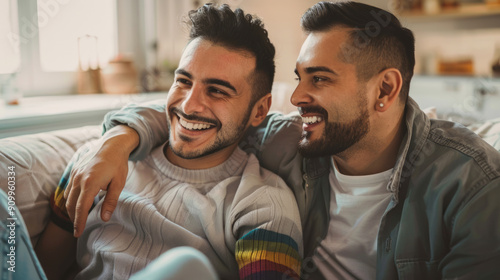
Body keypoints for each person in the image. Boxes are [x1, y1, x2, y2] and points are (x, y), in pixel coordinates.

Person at [62, 1, 500, 279]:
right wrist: (116, 141)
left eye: (320, 79)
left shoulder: (472, 185)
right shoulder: (289, 139)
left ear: (385, 90)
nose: (297, 97)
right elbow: (190, 118)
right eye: (300, 77)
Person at [34, 4, 303, 280]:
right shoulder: (98, 160)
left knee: (185, 267)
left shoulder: (263, 203)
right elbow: (44, 269)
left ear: (259, 110)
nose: (188, 105)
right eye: (184, 81)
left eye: (217, 91)